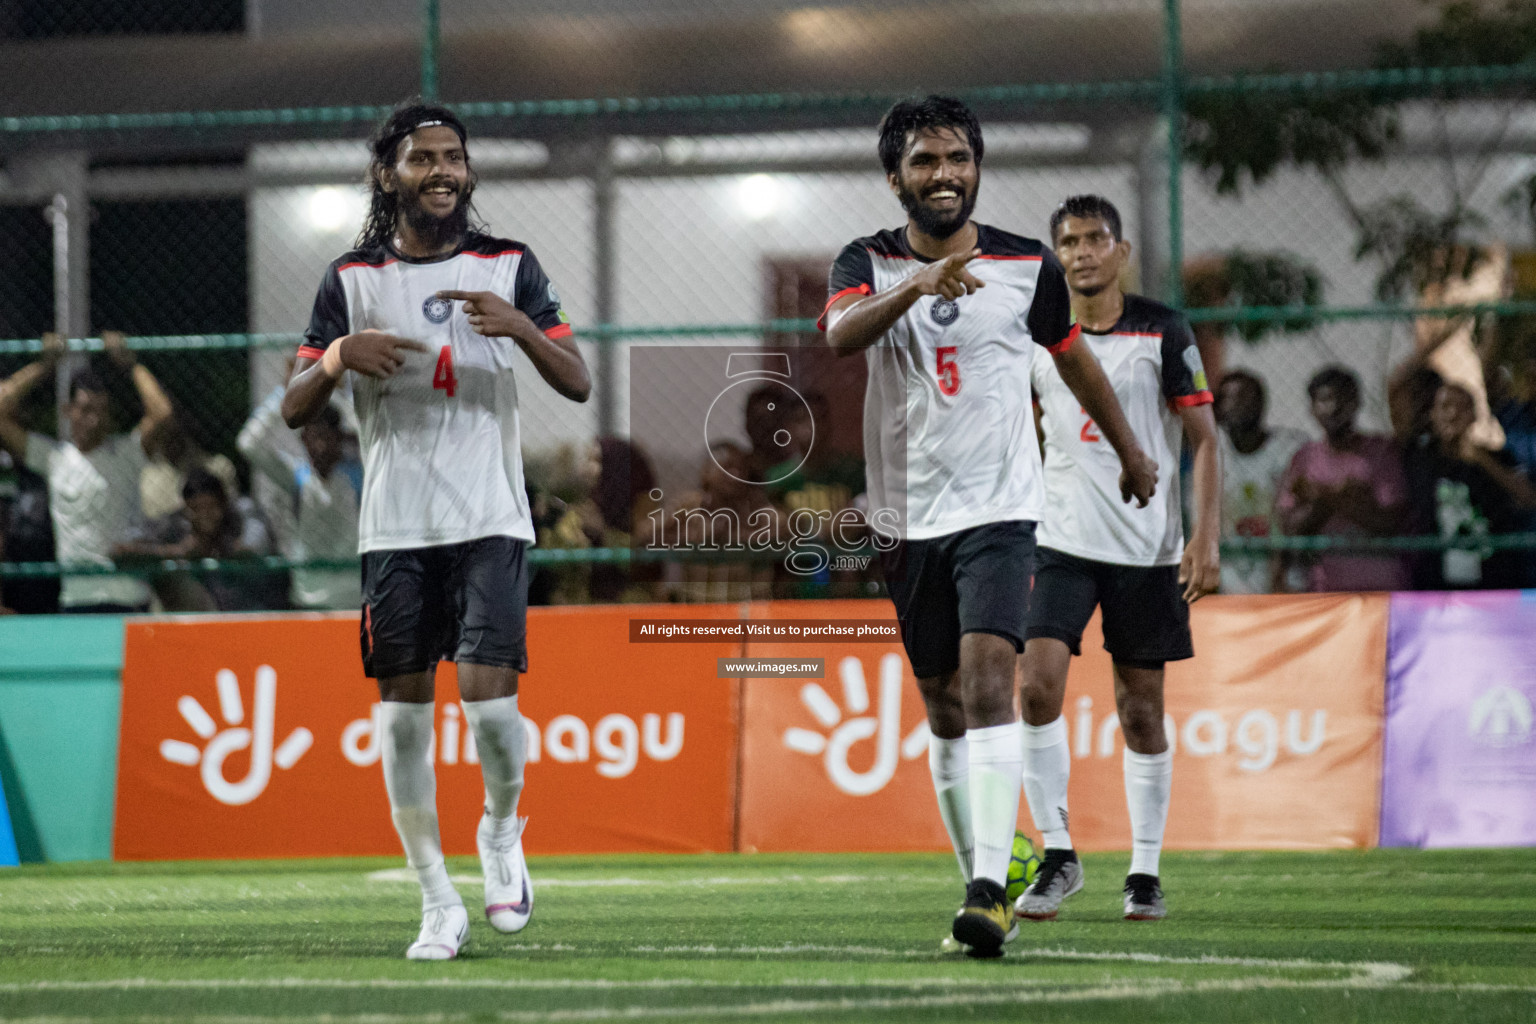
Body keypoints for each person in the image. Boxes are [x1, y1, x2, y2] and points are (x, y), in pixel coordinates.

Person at [820, 98, 1157, 956]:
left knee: (984, 682)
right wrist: (916, 285)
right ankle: (986, 855)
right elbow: (838, 335)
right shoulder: (864, 260)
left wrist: (1131, 451)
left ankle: (984, 893)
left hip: (1002, 512)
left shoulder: (1025, 263)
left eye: (960, 159)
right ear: (894, 176)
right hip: (905, 517)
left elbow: (1072, 357)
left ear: (978, 168)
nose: (946, 174)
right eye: (927, 161)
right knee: (941, 708)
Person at [279, 100, 591, 961]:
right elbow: (292, 401)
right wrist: (340, 356)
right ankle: (435, 901)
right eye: (424, 159)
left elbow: (578, 382)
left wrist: (522, 327)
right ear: (389, 174)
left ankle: (499, 832)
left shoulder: (511, 264)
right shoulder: (350, 280)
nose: (443, 171)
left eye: (454, 156)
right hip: (395, 532)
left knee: (492, 711)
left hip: (490, 519)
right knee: (403, 724)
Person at [1015, 194, 1220, 925]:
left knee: (1140, 711)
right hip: (1059, 541)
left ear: (1122, 249)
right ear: (1055, 254)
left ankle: (1144, 871)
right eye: (1067, 240)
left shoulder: (1162, 328)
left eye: (1095, 238)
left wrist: (1204, 537)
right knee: (1035, 687)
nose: (1081, 252)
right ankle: (1060, 854)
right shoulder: (1038, 338)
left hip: (1146, 548)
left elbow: (1204, 438)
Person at [0, 331, 173, 613]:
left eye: (101, 411)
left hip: (127, 599)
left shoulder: (127, 453)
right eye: (85, 409)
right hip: (76, 600)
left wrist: (132, 365)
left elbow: (162, 412)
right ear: (68, 411)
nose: (93, 420)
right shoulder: (54, 458)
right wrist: (44, 365)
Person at [1276, 366, 1410, 592]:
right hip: (1324, 587)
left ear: (1357, 403)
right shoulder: (1305, 458)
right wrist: (1345, 496)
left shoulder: (1381, 451)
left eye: (1343, 398)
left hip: (1379, 585)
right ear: (1312, 408)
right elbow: (1292, 527)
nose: (1335, 407)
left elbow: (1389, 521)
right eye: (1325, 400)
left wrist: (1321, 495)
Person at [1404, 382, 1536, 590]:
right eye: (1446, 407)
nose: (1454, 414)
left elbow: (1528, 497)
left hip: (1492, 584)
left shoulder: (1497, 458)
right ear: (1433, 415)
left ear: (1475, 415)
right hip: (1435, 588)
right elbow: (1397, 386)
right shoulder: (1419, 458)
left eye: (1462, 407)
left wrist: (1482, 459)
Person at [238, 388, 361, 610]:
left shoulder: (359, 476)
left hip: (353, 598)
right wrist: (287, 393)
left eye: (327, 437)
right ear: (304, 440)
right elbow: (248, 443)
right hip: (308, 599)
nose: (320, 447)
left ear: (340, 438)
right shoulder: (297, 477)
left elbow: (366, 428)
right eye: (313, 438)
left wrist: (329, 386)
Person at [116, 468, 275, 611]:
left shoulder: (240, 516)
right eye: (196, 509)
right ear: (185, 508)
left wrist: (220, 549)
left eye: (211, 507)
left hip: (248, 611)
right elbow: (120, 551)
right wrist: (177, 552)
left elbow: (253, 548)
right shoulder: (174, 524)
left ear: (224, 504)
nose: (204, 515)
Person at [1213, 370, 1310, 593]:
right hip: (1230, 584)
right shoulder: (1211, 455)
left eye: (1246, 397)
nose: (1238, 405)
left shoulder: (1290, 449)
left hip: (1286, 582)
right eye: (1229, 398)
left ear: (1262, 404)